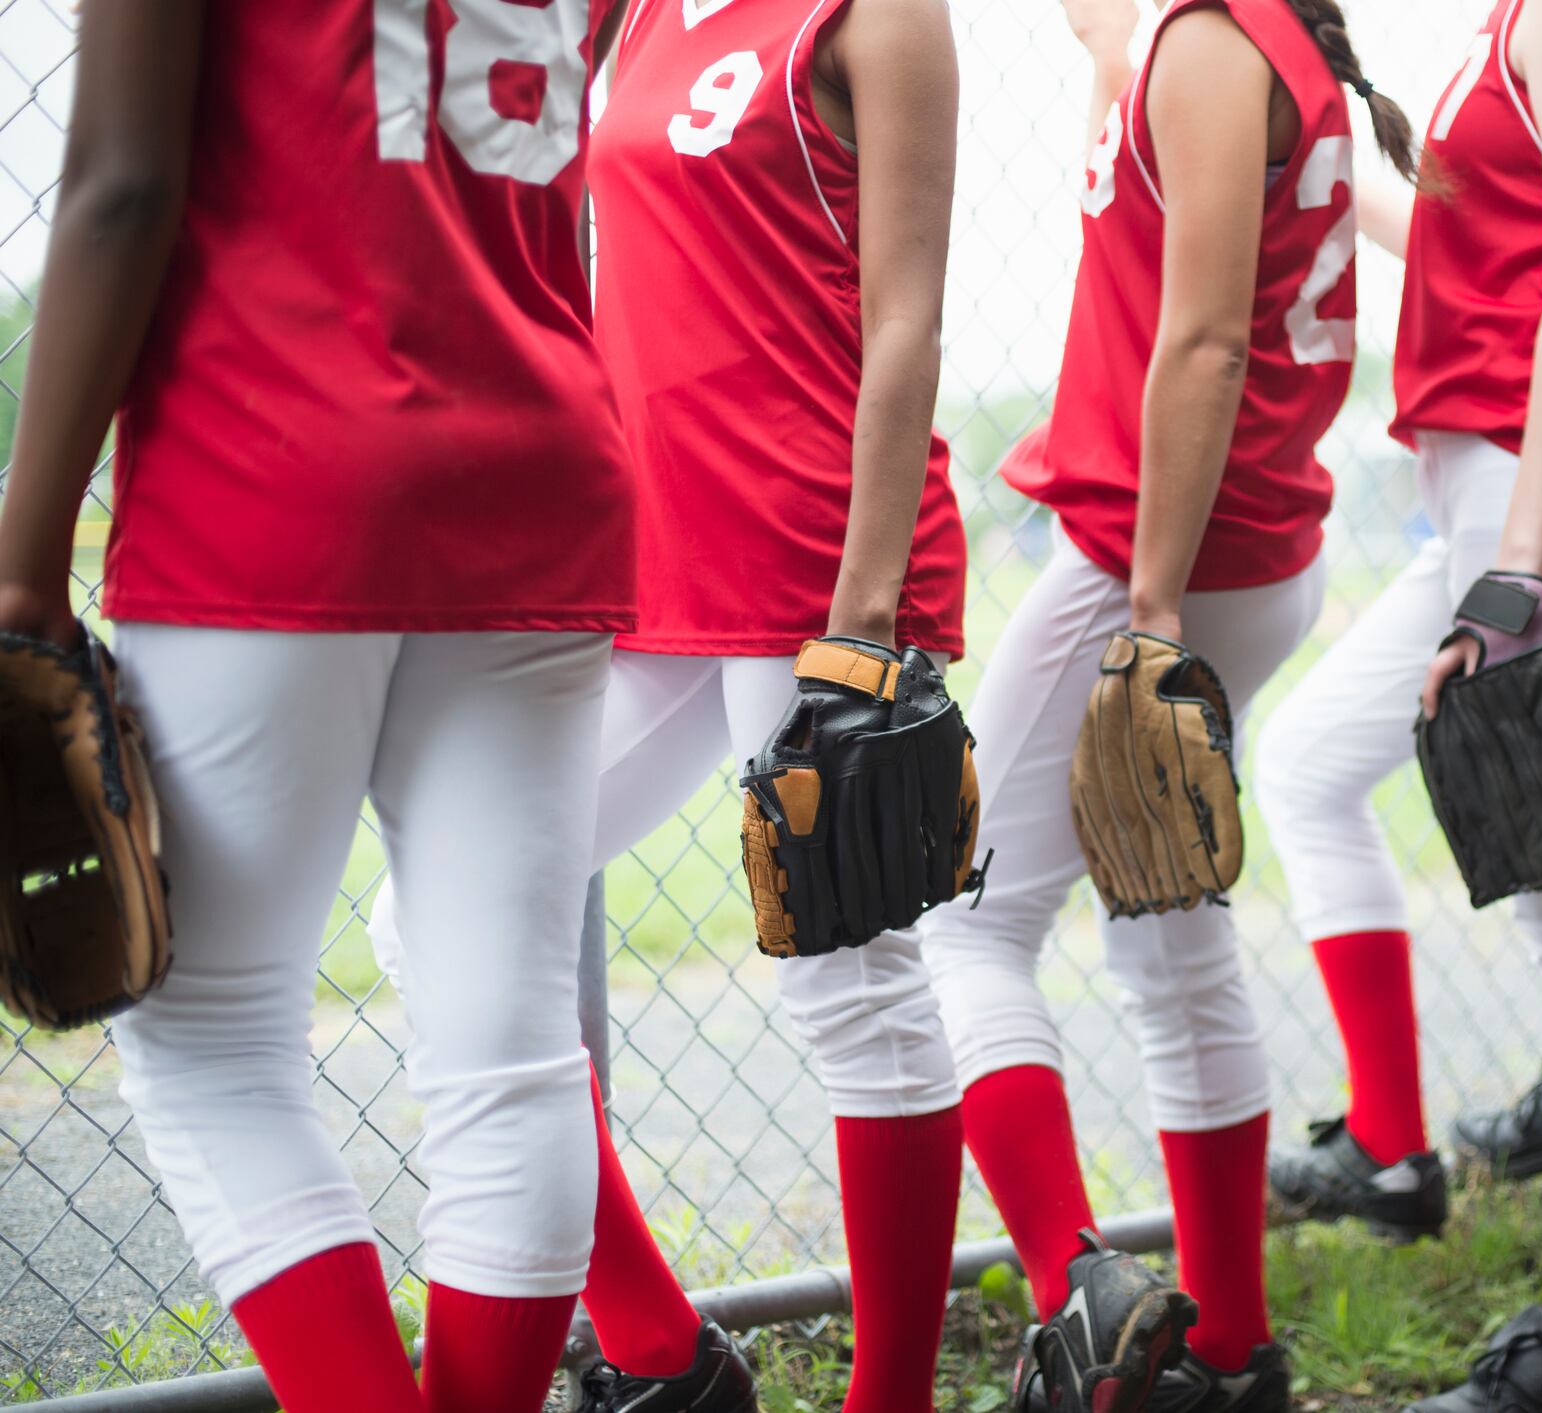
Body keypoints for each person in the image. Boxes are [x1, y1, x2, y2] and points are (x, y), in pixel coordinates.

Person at [0, 4, 638, 1411]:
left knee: (210, 1039)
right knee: (513, 1052)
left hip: (275, 458)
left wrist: (22, 564)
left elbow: (121, 183)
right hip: (541, 458)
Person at [363, 0, 970, 1409]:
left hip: (822, 555)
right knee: (432, 924)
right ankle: (656, 1350)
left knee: (850, 986)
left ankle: (894, 1398)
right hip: (656, 554)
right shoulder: (637, 12)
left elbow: (909, 311)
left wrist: (863, 621)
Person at [913, 0, 1411, 1409]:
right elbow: (1126, 196)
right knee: (1168, 932)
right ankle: (1233, 1352)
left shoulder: (1204, 43)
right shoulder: (1233, 41)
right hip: (1251, 545)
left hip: (1162, 553)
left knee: (966, 921)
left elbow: (1199, 344)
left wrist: (1144, 603)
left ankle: (1080, 1309)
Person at [1243, 0, 1542, 1407]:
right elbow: (1461, 232)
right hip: (1493, 504)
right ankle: (1391, 1148)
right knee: (1315, 757)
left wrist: (1514, 572)